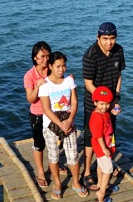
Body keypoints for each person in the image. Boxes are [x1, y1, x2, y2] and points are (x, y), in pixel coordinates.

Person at [39, 51, 89, 199]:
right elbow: (46, 109)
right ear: (50, 66)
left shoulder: (69, 81)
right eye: (58, 66)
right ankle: (57, 183)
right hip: (51, 126)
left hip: (69, 124)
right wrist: (60, 123)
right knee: (54, 157)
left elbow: (74, 102)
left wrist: (70, 119)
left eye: (64, 66)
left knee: (73, 156)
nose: (62, 69)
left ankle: (75, 182)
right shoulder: (45, 85)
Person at [82, 22, 124, 191]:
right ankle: (86, 173)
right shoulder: (90, 55)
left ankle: (106, 163)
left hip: (110, 102)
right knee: (91, 138)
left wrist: (115, 99)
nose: (109, 42)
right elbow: (88, 83)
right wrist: (102, 103)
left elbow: (119, 75)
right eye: (105, 38)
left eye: (112, 38)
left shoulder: (119, 51)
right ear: (98, 37)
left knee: (109, 135)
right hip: (94, 104)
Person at [24, 41, 56, 190]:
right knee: (39, 144)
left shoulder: (52, 69)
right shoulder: (29, 75)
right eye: (42, 56)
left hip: (54, 112)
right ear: (35, 58)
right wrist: (38, 86)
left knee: (55, 142)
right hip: (38, 114)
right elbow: (30, 99)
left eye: (48, 56)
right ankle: (41, 172)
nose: (46, 59)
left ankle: (55, 165)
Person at [90, 86, 119, 202]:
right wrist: (104, 148)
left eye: (107, 104)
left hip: (105, 145)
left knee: (101, 166)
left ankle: (101, 184)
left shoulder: (105, 112)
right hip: (101, 146)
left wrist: (113, 111)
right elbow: (98, 136)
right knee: (108, 169)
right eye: (101, 104)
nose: (104, 107)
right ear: (95, 102)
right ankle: (101, 194)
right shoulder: (96, 117)